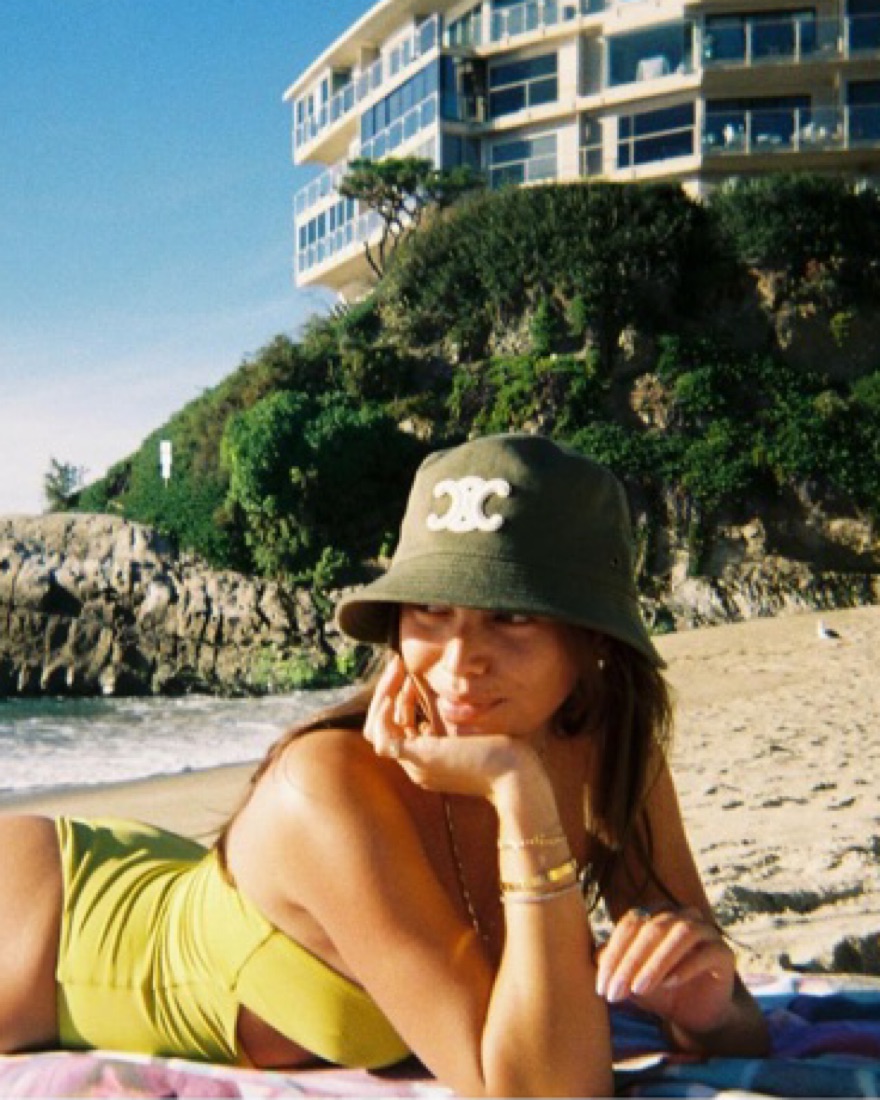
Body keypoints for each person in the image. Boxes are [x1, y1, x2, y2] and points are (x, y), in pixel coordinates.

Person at [0, 433, 768, 1096]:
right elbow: (534, 1091)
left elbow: (723, 1016)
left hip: (169, 882)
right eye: (432, 609)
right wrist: (518, 791)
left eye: (512, 615)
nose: (460, 662)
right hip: (51, 936)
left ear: (593, 634)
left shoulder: (613, 754)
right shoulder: (325, 787)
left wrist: (708, 1009)